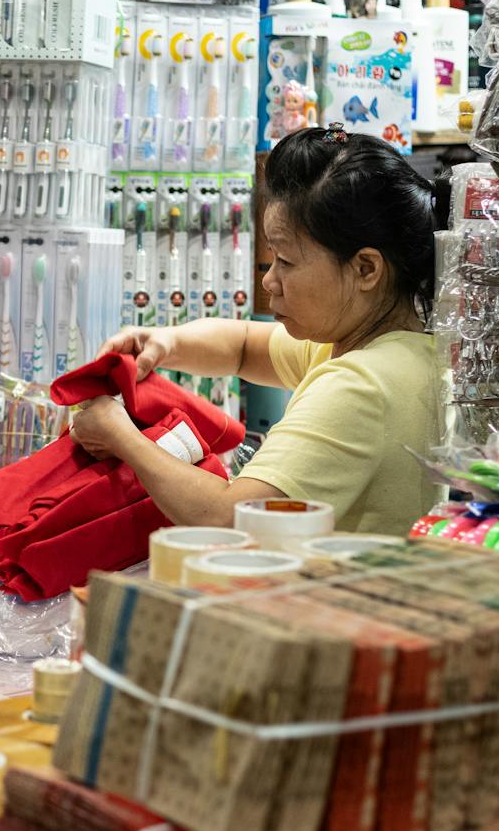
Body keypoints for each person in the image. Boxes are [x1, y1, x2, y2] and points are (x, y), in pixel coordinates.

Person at [71, 126, 443, 534]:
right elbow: (244, 346)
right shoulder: (395, 349)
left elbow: (228, 516)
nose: (270, 281)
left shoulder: (360, 386)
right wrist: (166, 341)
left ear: (365, 268)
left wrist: (120, 435)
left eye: (286, 261)